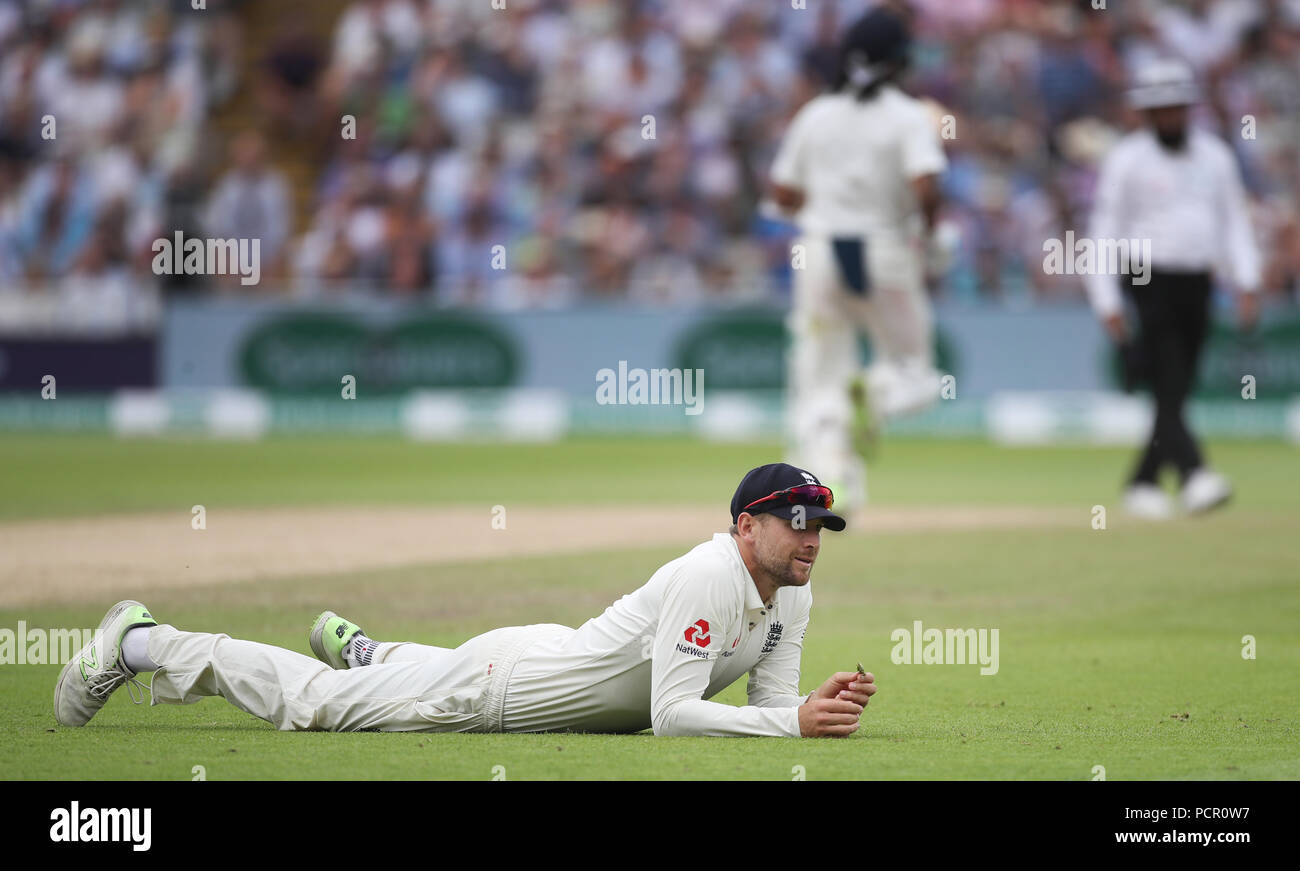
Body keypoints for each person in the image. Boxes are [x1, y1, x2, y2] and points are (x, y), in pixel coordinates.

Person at [55, 464, 877, 738]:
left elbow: (770, 707)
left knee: (396, 673)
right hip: (497, 692)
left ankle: (371, 651)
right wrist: (789, 723)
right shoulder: (708, 572)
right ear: (745, 526)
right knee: (313, 707)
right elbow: (672, 714)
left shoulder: (792, 590)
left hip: (541, 651)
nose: (811, 538)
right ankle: (143, 640)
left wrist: (809, 709)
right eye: (795, 522)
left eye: (820, 526)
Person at [769, 6, 949, 515]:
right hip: (885, 251)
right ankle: (874, 396)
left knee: (820, 382)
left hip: (822, 253)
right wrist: (930, 230)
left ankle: (833, 485)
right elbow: (927, 186)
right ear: (899, 62)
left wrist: (825, 203)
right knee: (917, 375)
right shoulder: (908, 115)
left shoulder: (817, 114)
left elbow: (783, 194)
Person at [1086, 58, 1260, 518]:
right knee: (1168, 369)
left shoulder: (1216, 156)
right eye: (1160, 110)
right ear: (1145, 114)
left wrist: (1247, 279)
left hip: (1198, 278)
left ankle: (1143, 481)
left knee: (1177, 384)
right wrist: (1105, 299)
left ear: (1189, 109)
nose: (1169, 118)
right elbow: (1104, 230)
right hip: (1146, 275)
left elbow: (1234, 222)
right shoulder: (1127, 159)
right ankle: (1194, 473)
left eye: (1176, 109)